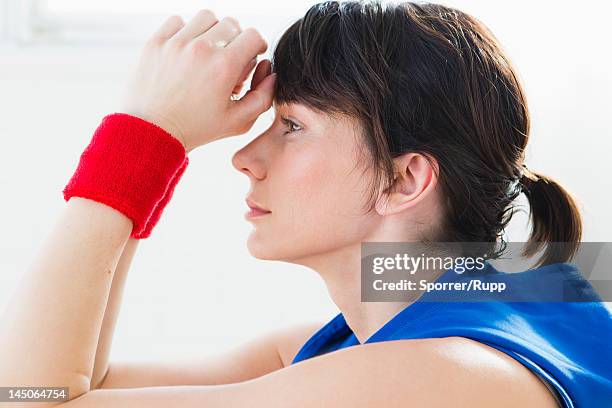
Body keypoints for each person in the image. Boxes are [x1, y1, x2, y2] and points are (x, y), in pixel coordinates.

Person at [0, 1, 610, 407]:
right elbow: (72, 387)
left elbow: (29, 401)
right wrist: (154, 150)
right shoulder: (371, 339)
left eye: (292, 126)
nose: (245, 158)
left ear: (404, 180)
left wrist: (146, 136)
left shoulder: (435, 376)